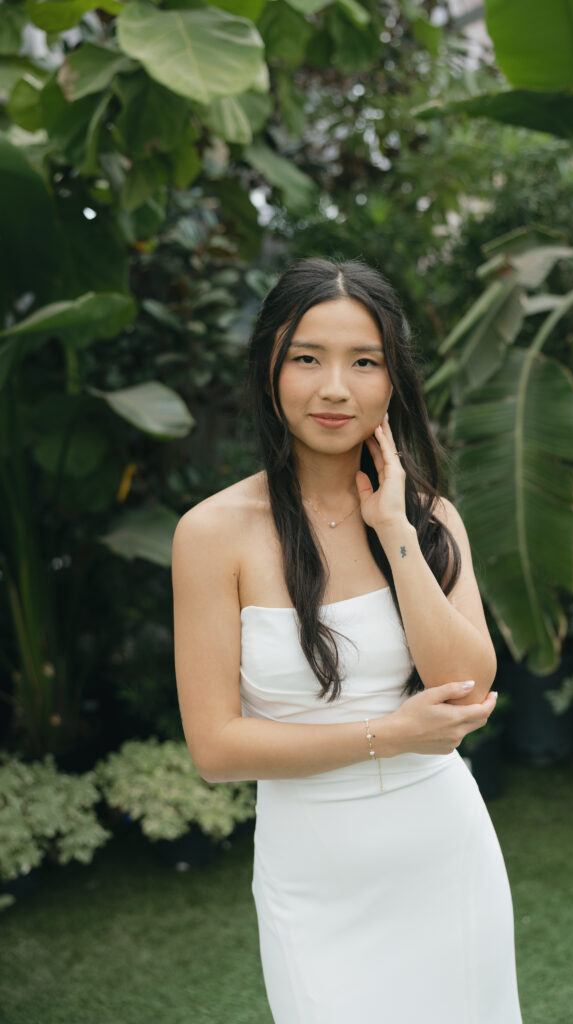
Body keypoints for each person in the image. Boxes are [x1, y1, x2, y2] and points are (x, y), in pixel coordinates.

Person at [172, 257, 523, 1023]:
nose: (335, 387)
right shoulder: (211, 534)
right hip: (311, 872)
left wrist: (395, 530)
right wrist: (389, 733)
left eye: (362, 361)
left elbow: (466, 688)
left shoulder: (431, 520)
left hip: (442, 852)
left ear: (391, 381)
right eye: (307, 358)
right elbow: (215, 748)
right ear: (271, 368)